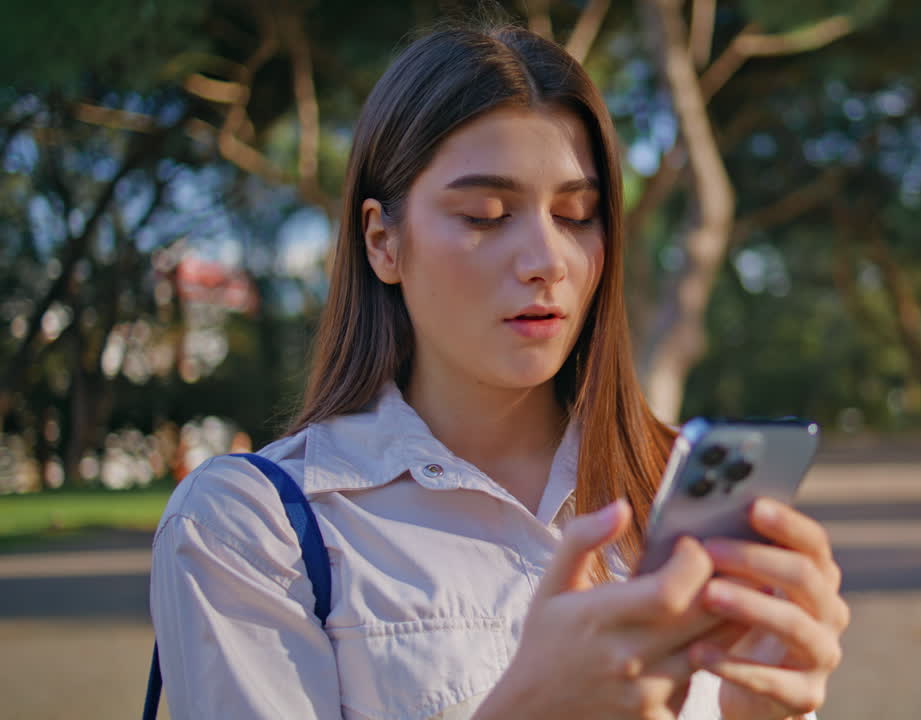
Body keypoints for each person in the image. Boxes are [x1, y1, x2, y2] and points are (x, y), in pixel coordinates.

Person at [149, 22, 848, 720]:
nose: (547, 259)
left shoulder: (672, 494)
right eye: (485, 216)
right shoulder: (249, 527)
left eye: (577, 215)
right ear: (382, 241)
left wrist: (761, 710)